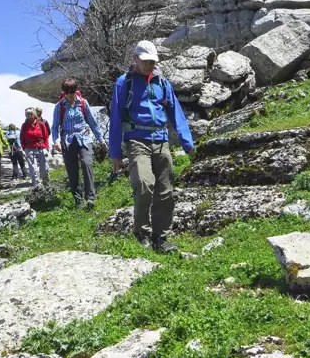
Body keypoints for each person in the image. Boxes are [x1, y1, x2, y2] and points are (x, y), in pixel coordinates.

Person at [109, 40, 195, 253]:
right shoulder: (124, 83)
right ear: (135, 59)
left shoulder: (162, 83)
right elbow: (116, 117)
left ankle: (161, 238)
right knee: (144, 184)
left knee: (165, 190)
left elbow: (176, 114)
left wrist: (188, 144)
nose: (149, 65)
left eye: (152, 61)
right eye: (145, 61)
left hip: (161, 140)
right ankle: (142, 233)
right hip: (137, 141)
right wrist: (115, 153)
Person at [52, 77, 105, 208]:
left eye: (72, 91)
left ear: (76, 90)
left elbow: (92, 122)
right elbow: (55, 126)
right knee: (72, 170)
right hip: (67, 140)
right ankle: (78, 200)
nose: (70, 94)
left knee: (87, 163)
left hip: (84, 138)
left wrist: (101, 139)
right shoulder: (60, 106)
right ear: (64, 92)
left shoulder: (83, 103)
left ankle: (90, 198)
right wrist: (56, 141)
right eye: (67, 91)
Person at [21, 108, 50, 186]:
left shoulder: (41, 124)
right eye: (27, 114)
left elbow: (46, 136)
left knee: (44, 169)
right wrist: (24, 148)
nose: (29, 116)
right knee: (33, 169)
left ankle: (46, 185)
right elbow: (22, 137)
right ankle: (36, 187)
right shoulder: (24, 126)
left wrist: (46, 148)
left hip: (41, 147)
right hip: (29, 148)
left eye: (31, 114)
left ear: (34, 114)